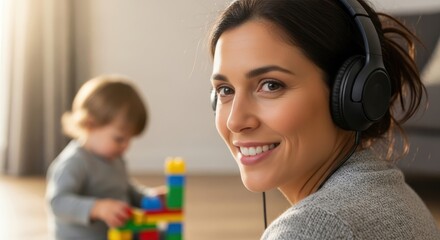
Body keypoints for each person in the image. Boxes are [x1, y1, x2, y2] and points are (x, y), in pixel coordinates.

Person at [208, 0, 440, 239]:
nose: (235, 121)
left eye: (271, 85)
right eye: (225, 90)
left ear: (351, 93)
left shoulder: (309, 229)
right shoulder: (399, 198)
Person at [46, 75, 157, 239]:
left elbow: (124, 188)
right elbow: (58, 203)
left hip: (118, 234)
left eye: (129, 139)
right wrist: (97, 208)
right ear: (89, 124)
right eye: (119, 139)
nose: (126, 145)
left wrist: (147, 197)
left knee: (158, 233)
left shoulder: (114, 158)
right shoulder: (74, 162)